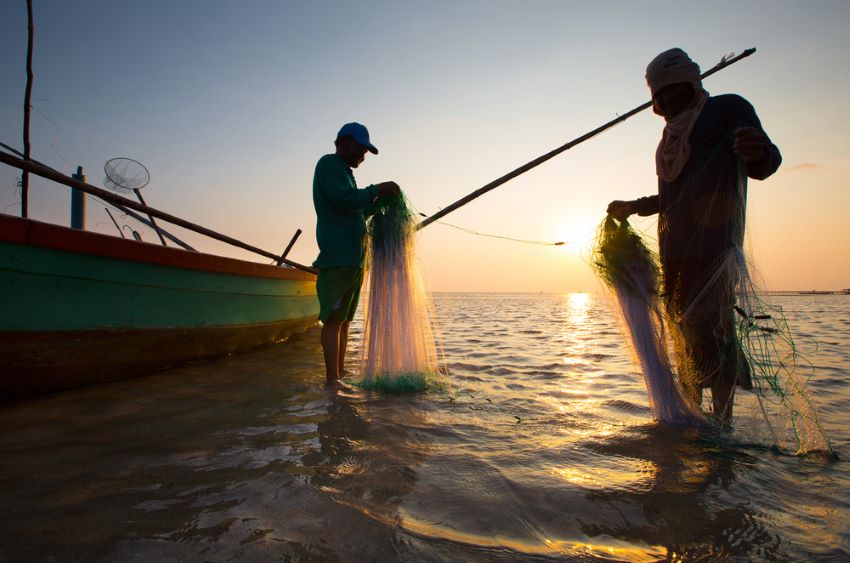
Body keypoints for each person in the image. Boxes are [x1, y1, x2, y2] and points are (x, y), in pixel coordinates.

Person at [607, 48, 782, 422]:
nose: (668, 101)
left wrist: (758, 152)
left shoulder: (726, 109)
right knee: (684, 337)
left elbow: (766, 163)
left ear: (694, 84)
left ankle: (722, 424)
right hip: (675, 254)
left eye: (676, 91)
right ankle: (692, 421)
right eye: (660, 96)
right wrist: (634, 205)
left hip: (714, 251)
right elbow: (673, 198)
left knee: (713, 333)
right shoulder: (670, 138)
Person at [312, 122, 400, 384]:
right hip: (337, 258)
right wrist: (377, 189)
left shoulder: (347, 174)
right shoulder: (328, 164)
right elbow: (345, 199)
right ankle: (331, 382)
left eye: (365, 151)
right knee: (333, 321)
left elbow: (356, 210)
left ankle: (340, 375)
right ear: (344, 142)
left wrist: (378, 203)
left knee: (344, 321)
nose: (363, 155)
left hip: (354, 260)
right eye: (361, 149)